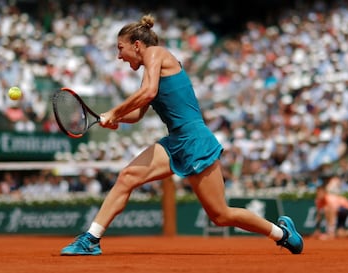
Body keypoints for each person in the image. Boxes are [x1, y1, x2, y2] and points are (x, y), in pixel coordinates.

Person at [60, 14, 303, 256]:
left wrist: (114, 112)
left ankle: (282, 233)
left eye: (120, 48)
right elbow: (138, 114)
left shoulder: (155, 53)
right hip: (174, 141)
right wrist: (115, 118)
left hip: (195, 141)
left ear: (137, 44)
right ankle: (91, 239)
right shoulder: (149, 71)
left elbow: (147, 93)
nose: (118, 56)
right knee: (127, 177)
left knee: (220, 215)